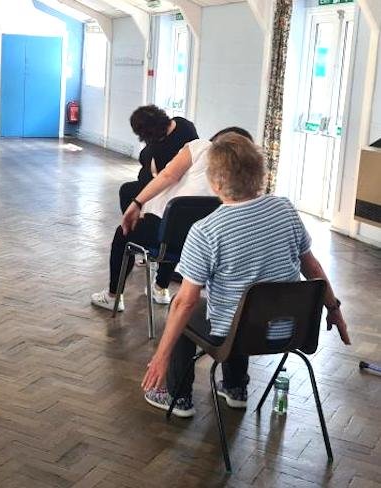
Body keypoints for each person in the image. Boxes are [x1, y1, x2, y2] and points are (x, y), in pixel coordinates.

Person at [139, 133, 350, 418]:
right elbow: (313, 269)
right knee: (250, 303)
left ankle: (178, 396)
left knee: (185, 308)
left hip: (236, 335)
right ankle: (236, 388)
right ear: (260, 174)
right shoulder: (285, 209)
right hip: (290, 329)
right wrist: (334, 309)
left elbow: (185, 304)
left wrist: (160, 358)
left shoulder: (206, 231)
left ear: (215, 183)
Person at [91, 127, 253, 311]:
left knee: (124, 233)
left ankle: (113, 295)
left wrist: (137, 203)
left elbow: (168, 175)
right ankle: (160, 288)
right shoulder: (243, 180)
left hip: (168, 235)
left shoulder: (201, 147)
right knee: (181, 228)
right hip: (198, 248)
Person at [120, 105, 198, 213]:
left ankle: (133, 223)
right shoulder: (184, 124)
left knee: (126, 190)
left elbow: (155, 175)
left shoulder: (157, 148)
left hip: (169, 187)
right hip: (187, 179)